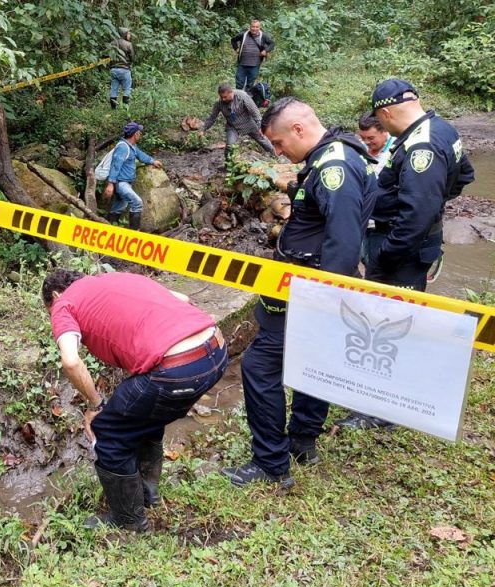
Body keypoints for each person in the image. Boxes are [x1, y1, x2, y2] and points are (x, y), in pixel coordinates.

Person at [221, 97, 376, 486]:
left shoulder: (333, 167)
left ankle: (271, 464)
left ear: (298, 130)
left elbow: (342, 240)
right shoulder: (335, 155)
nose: (277, 152)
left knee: (258, 367)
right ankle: (302, 440)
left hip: (309, 290)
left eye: (277, 143)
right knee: (315, 362)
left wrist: (324, 301)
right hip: (311, 287)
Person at [336, 78, 474, 430]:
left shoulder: (422, 145)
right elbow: (465, 175)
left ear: (384, 113)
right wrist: (433, 201)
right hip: (412, 243)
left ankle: (383, 412)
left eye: (380, 124)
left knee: (389, 327)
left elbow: (416, 215)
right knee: (400, 321)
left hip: (402, 251)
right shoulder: (441, 128)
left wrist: (387, 255)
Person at [43, 269, 227, 532]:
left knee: (106, 430)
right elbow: (183, 299)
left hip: (177, 368)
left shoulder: (63, 303)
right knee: (143, 414)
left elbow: (71, 361)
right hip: (216, 349)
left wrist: (95, 405)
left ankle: (129, 520)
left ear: (55, 295)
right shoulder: (119, 278)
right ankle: (147, 494)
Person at [103, 121, 161, 229]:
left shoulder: (132, 146)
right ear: (135, 134)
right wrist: (110, 185)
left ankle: (109, 227)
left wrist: (152, 161)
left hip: (127, 183)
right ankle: (134, 233)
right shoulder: (123, 147)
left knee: (119, 207)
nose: (140, 134)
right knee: (137, 202)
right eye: (139, 132)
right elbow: (115, 166)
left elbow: (141, 155)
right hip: (121, 184)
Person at [202, 82, 276, 166]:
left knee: (263, 140)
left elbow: (255, 112)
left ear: (231, 93)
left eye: (225, 97)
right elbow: (212, 118)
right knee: (230, 145)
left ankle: (276, 156)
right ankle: (229, 165)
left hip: (249, 123)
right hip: (232, 126)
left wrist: (260, 128)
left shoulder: (242, 96)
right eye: (221, 97)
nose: (223, 99)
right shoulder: (219, 103)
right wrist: (203, 129)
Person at [230, 19, 274, 91]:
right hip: (242, 63)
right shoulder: (243, 35)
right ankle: (238, 99)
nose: (254, 29)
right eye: (253, 27)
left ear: (259, 28)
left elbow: (272, 44)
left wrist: (265, 51)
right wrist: (236, 49)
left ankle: (247, 99)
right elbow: (233, 40)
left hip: (255, 65)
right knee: (239, 84)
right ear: (250, 27)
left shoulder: (263, 36)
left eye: (257, 27)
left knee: (250, 85)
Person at [108, 27, 134, 109]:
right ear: (124, 34)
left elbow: (106, 56)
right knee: (127, 89)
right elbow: (132, 58)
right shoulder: (128, 44)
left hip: (113, 70)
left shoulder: (111, 43)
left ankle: (113, 109)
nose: (130, 35)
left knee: (114, 89)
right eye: (129, 34)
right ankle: (125, 108)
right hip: (124, 70)